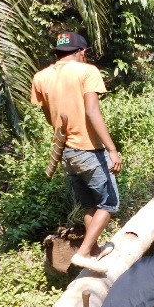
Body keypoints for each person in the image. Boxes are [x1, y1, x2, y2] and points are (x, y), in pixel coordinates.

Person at [31, 32, 121, 274]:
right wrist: (112, 149)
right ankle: (83, 253)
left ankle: (93, 250)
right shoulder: (86, 71)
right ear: (81, 52)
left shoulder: (41, 78)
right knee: (110, 204)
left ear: (58, 53)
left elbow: (49, 117)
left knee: (90, 204)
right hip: (89, 150)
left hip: (67, 154)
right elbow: (92, 112)